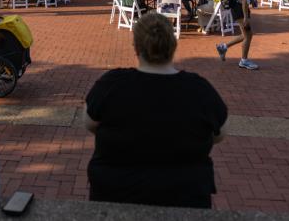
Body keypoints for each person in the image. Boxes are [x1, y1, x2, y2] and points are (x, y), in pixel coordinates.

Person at [84, 13, 227, 208]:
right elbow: (219, 134)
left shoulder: (111, 84)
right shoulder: (199, 90)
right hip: (184, 199)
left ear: (136, 47)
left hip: (115, 196)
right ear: (173, 45)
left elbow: (90, 123)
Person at [216, 0, 258, 70]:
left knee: (246, 35)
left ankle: (223, 47)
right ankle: (244, 60)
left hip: (237, 8)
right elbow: (243, 0)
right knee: (248, 35)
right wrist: (245, 17)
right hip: (240, 9)